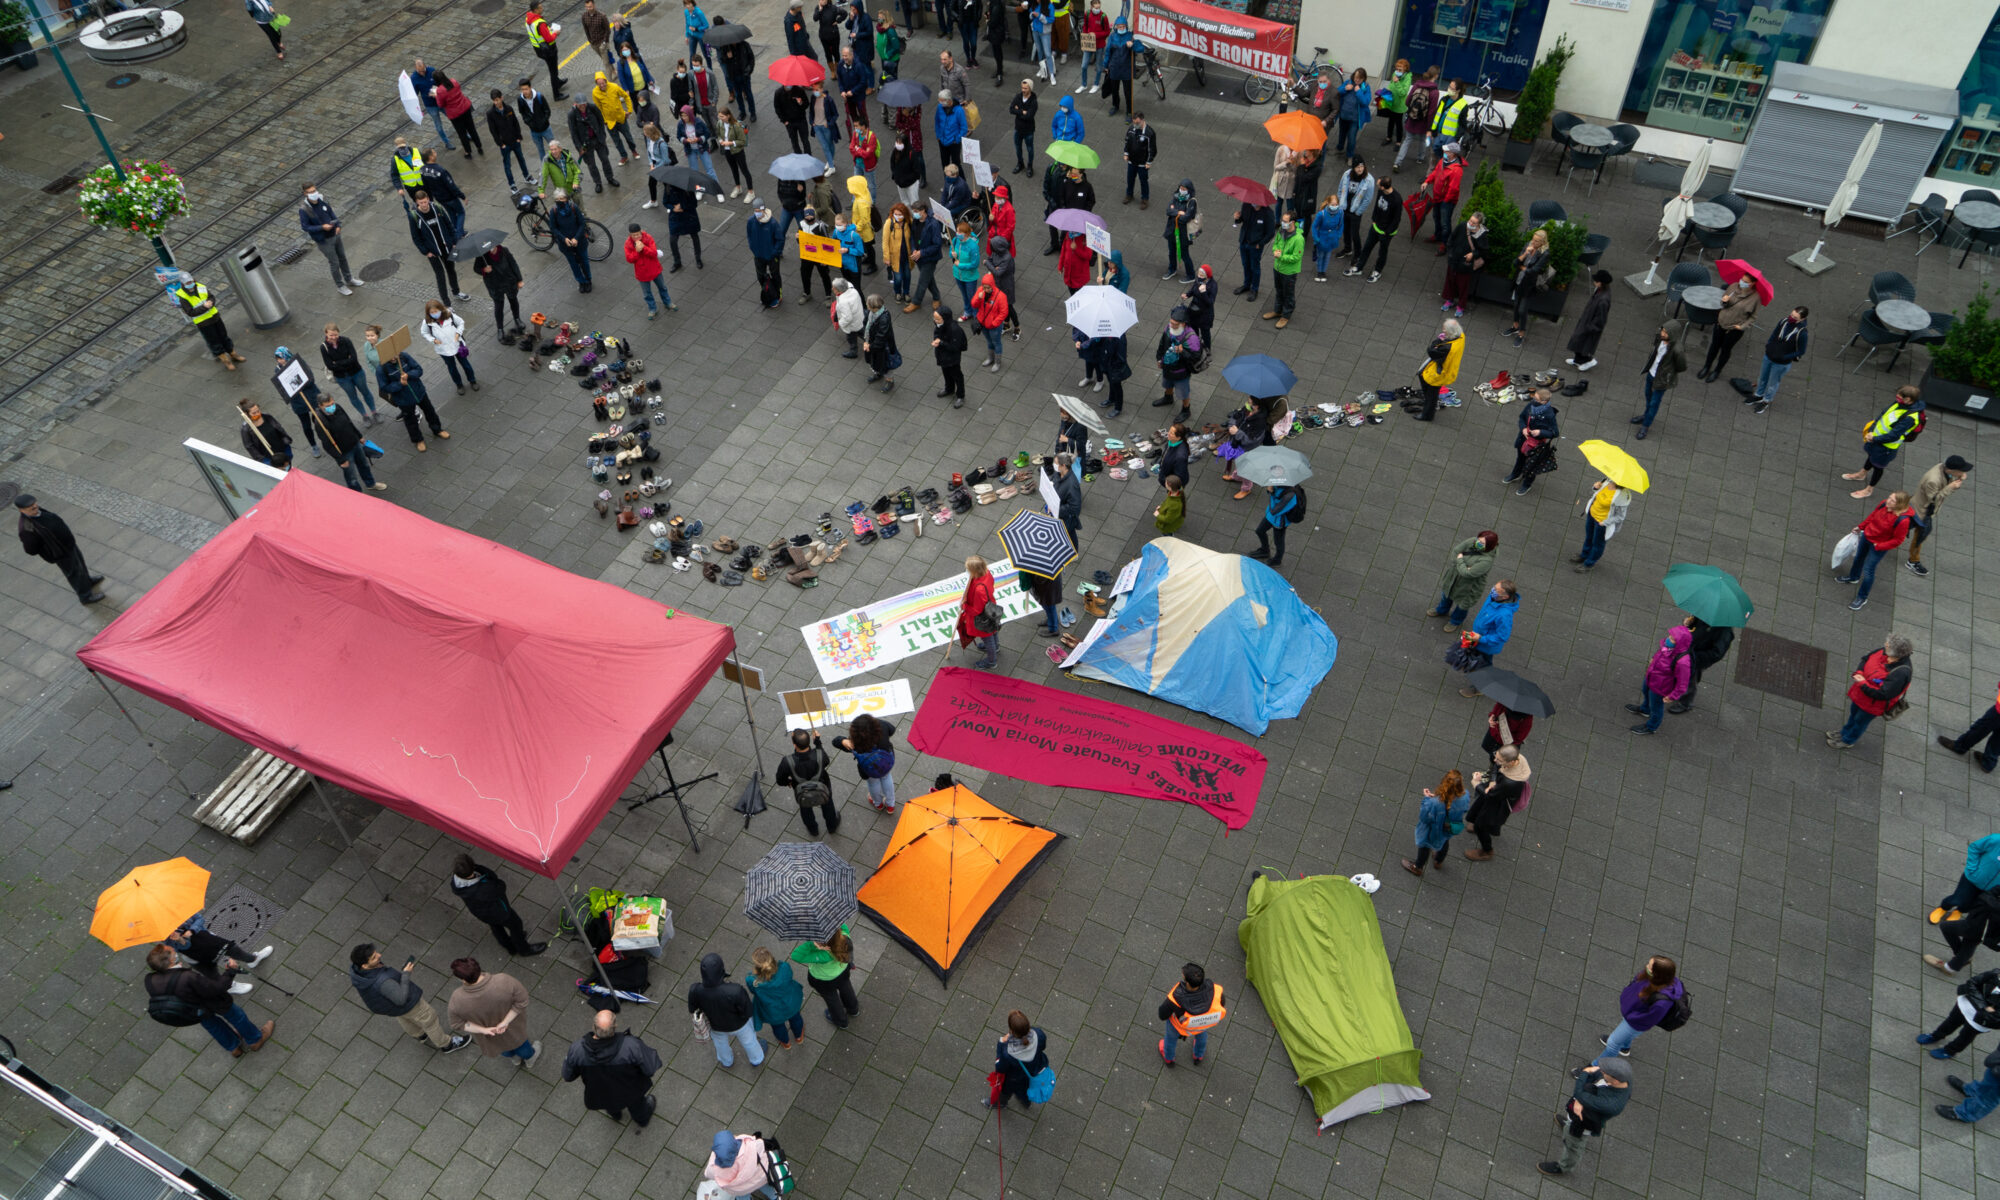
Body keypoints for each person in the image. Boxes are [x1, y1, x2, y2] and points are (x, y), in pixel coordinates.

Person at [143, 943, 273, 1056]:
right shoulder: (187, 977)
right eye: (171, 952)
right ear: (171, 961)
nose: (174, 949)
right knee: (237, 1017)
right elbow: (216, 989)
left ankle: (233, 1047)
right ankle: (255, 1040)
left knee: (213, 1026)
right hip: (214, 1003)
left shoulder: (150, 980)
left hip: (194, 1011)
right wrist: (230, 972)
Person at [348, 945, 471, 1054]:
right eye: (374, 957)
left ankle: (420, 1035)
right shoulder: (383, 981)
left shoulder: (357, 972)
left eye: (376, 953)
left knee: (404, 1019)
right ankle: (447, 1045)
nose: (379, 955)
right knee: (430, 1022)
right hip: (410, 1005)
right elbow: (401, 999)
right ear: (364, 965)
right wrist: (406, 974)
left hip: (392, 1007)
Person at [1538, 1058, 1631, 1177]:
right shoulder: (1625, 1081)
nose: (1600, 1071)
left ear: (1616, 1081)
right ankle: (1568, 1124)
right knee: (1571, 1124)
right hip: (1582, 1115)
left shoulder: (1610, 1104)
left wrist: (1585, 1072)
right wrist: (1582, 1100)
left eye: (1604, 1072)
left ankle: (1563, 1167)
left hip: (1582, 1124)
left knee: (1573, 1146)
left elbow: (1579, 1093)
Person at [446, 957, 540, 1066]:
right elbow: (522, 1001)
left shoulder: (457, 999)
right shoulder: (504, 980)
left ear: (463, 979)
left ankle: (515, 1059)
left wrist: (484, 1030)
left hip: (491, 1037)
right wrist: (505, 1022)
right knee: (521, 1045)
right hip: (513, 1028)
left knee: (502, 1048)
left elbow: (456, 1024)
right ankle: (530, 1059)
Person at [1829, 632, 1915, 749]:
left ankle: (1848, 740)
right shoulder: (1884, 651)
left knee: (1860, 722)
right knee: (1854, 714)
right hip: (1860, 696)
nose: (1885, 644)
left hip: (1872, 705)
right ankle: (1844, 732)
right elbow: (1865, 659)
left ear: (1895, 653)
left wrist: (1862, 683)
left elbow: (1883, 694)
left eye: (1888, 644)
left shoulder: (1901, 673)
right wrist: (1859, 672)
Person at [14, 493, 103, 605]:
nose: (34, 507)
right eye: (29, 507)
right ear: (21, 510)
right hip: (60, 553)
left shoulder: (38, 511)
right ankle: (85, 596)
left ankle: (87, 581)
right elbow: (30, 550)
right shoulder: (26, 528)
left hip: (69, 545)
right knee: (73, 573)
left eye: (34, 503)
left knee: (80, 564)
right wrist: (48, 547)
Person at [1835, 492, 1917, 611]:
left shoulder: (1903, 521)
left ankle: (1862, 597)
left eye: (1892, 500)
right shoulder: (1883, 504)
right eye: (1889, 497)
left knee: (1868, 570)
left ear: (1899, 504)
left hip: (1878, 546)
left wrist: (1879, 545)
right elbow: (1872, 517)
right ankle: (1853, 577)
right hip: (1867, 536)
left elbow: (1898, 540)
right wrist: (1861, 527)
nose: (1888, 500)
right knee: (1859, 557)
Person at [450, 855, 546, 955]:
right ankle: (524, 949)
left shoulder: (456, 882)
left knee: (496, 927)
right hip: (499, 911)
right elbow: (500, 886)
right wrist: (479, 869)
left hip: (481, 912)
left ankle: (510, 947)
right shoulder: (484, 888)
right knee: (516, 925)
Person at [1843, 385, 1927, 499]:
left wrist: (1874, 438)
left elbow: (1893, 435)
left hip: (1886, 447)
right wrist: (1871, 430)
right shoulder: (1899, 404)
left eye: (1900, 396)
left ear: (1908, 399)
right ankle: (1861, 474)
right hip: (1875, 438)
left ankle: (1869, 489)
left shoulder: (1910, 418)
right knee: (1871, 457)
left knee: (1878, 467)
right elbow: (1882, 415)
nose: (1897, 398)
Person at [1595, 956, 1684, 1061]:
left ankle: (1594, 1070)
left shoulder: (1662, 1003)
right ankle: (1624, 1047)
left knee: (1612, 1044)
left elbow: (1647, 1019)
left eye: (1649, 967)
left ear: (1657, 974)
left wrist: (1630, 1015)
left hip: (1634, 1022)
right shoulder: (1656, 979)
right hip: (1631, 1013)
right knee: (1619, 1039)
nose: (1646, 966)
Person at [688, 952, 763, 1066]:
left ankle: (726, 1061)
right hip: (740, 1024)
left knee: (720, 1045)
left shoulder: (695, 990)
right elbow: (748, 1011)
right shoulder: (735, 990)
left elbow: (692, 1009)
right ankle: (756, 1059)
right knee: (749, 1042)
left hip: (716, 1026)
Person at [376, 336, 448, 452]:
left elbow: (419, 369)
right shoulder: (381, 369)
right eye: (391, 356)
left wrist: (408, 375)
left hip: (419, 392)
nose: (395, 357)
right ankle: (418, 440)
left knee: (430, 411)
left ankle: (437, 429)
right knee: (410, 420)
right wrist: (400, 383)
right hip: (403, 399)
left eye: (396, 354)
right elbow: (384, 387)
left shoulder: (404, 356)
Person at [1907, 455, 1972, 577]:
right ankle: (1912, 561)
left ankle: (1913, 559)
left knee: (1920, 535)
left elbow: (1947, 482)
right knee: (1915, 533)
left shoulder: (1944, 469)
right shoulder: (1933, 479)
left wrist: (1958, 478)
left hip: (1925, 511)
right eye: (1961, 470)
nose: (1963, 472)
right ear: (1952, 470)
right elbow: (1934, 498)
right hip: (1920, 511)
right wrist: (1951, 488)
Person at [1450, 579, 1518, 694]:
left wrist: (1480, 638)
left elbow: (1502, 637)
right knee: (1480, 664)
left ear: (1505, 596)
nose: (1493, 591)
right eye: (1494, 587)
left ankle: (1480, 688)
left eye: (1497, 590)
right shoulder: (1495, 598)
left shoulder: (1504, 615)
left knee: (1482, 666)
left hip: (1486, 646)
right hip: (1478, 640)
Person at [1461, 744, 1528, 860]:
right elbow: (1496, 767)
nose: (1495, 760)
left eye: (1499, 760)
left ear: (1512, 763)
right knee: (1480, 811)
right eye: (1496, 757)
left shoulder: (1510, 783)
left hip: (1498, 803)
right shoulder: (1513, 759)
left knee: (1481, 826)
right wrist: (1492, 782)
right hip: (1497, 794)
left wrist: (1476, 784)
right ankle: (1486, 826)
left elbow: (1491, 796)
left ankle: (1487, 851)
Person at [306, 393, 383, 493]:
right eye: (328, 406)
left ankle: (370, 483)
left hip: (355, 443)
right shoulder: (320, 422)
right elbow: (327, 444)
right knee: (351, 476)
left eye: (332, 403)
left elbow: (349, 422)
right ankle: (356, 494)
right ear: (320, 406)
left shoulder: (338, 407)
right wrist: (341, 460)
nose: (332, 407)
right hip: (344, 452)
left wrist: (359, 436)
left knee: (364, 465)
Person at [1918, 966, 2000, 1060]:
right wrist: (1984, 1006)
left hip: (1980, 1020)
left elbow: (1996, 1017)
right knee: (1951, 1022)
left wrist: (1977, 998)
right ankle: (1936, 1035)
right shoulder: (1994, 974)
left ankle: (1950, 1050)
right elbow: (1971, 983)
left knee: (1965, 1036)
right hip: (1965, 1006)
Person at [1626, 623, 1693, 735]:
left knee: (1656, 707)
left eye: (1672, 638)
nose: (1668, 639)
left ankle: (1652, 727)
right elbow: (1659, 655)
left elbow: (1682, 684)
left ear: (1680, 643)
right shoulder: (1668, 647)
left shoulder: (1683, 662)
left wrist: (1672, 696)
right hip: (1652, 677)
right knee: (1645, 691)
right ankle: (1645, 709)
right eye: (1670, 636)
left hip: (1661, 687)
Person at [791, 924, 861, 1030]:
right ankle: (853, 1009)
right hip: (843, 972)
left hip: (824, 981)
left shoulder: (823, 955)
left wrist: (812, 945)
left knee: (832, 1000)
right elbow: (841, 924)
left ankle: (842, 1021)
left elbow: (796, 956)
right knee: (846, 988)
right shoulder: (845, 936)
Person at [1400, 768, 1468, 876]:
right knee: (1444, 842)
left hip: (1432, 831)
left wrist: (1427, 799)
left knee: (1424, 846)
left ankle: (1417, 867)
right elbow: (1462, 809)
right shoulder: (1465, 796)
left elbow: (1424, 817)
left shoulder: (1434, 803)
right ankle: (1438, 861)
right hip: (1448, 829)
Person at [297, 183, 361, 296]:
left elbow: (332, 214)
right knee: (334, 263)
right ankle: (340, 286)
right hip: (324, 240)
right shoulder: (304, 209)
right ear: (305, 194)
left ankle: (349, 279)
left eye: (314, 190)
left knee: (343, 258)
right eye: (311, 192)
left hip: (335, 235)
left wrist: (338, 226)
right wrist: (322, 227)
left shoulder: (322, 200)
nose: (314, 193)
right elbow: (305, 227)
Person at [405, 192, 467, 305]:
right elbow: (415, 237)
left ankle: (456, 292)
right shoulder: (414, 216)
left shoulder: (437, 208)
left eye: (425, 201)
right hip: (432, 251)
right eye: (421, 203)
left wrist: (453, 242)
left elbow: (449, 225)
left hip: (446, 247)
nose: (424, 205)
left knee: (451, 270)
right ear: (416, 203)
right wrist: (425, 252)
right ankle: (446, 302)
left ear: (428, 199)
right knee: (440, 276)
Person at [174, 273, 245, 372]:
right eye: (187, 283)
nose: (190, 284)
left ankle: (233, 354)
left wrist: (211, 302)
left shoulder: (201, 287)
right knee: (214, 342)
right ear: (183, 284)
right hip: (203, 323)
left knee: (224, 336)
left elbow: (211, 297)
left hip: (215, 317)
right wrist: (205, 307)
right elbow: (190, 312)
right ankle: (226, 361)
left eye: (191, 281)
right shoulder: (183, 297)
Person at [1156, 962, 1224, 1067]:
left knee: (1170, 1040)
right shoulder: (1214, 990)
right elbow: (1221, 1003)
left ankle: (1169, 1058)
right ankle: (1198, 1055)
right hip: (1201, 1024)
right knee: (1202, 1036)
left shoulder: (1175, 998)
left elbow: (1162, 1015)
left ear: (1187, 983)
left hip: (1177, 1026)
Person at [776, 729, 841, 835]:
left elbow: (780, 780)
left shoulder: (787, 761)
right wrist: (818, 743)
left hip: (802, 791)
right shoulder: (819, 754)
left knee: (805, 808)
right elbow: (826, 761)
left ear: (794, 744)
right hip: (823, 786)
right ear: (809, 741)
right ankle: (832, 826)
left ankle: (813, 829)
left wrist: (788, 782)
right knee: (828, 804)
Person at [1696, 274, 1760, 382]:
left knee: (1725, 350)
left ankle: (1717, 371)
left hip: (1735, 329)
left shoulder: (1756, 298)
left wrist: (1742, 326)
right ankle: (1707, 366)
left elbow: (1753, 316)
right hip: (1721, 322)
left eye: (1745, 281)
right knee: (1714, 346)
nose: (1741, 282)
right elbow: (1723, 303)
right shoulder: (1733, 287)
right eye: (1742, 279)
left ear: (1752, 283)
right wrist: (1724, 301)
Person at [1668, 616, 1735, 714]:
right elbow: (1694, 626)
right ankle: (1675, 687)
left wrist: (1695, 658)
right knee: (1680, 671)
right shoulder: (1706, 614)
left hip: (1697, 658)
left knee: (1690, 679)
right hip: (1688, 650)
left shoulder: (1725, 631)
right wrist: (1688, 623)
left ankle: (1685, 703)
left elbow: (1716, 653)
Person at [1749, 305, 1809, 414]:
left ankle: (1766, 401)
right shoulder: (1784, 321)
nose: (1791, 318)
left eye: (1795, 317)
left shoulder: (1802, 333)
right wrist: (1769, 345)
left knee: (1772, 383)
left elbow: (1801, 351)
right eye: (1791, 315)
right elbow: (1775, 333)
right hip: (1769, 356)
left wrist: (1785, 357)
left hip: (1781, 363)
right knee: (1762, 377)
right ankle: (1758, 395)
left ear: (1802, 319)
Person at [986, 1010, 1050, 1109]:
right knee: (1025, 1090)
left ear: (1011, 1030)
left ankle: (1000, 1103)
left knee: (1006, 1092)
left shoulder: (1008, 1052)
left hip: (1014, 1079)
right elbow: (1043, 1047)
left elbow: (1000, 1068)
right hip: (1035, 1071)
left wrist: (1001, 1043)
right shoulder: (1039, 1035)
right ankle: (1026, 1102)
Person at [1432, 530, 1496, 629]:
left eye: (1482, 543)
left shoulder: (1486, 561)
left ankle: (1455, 621)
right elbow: (1455, 551)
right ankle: (1441, 610)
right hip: (1453, 578)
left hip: (1468, 588)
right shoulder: (1473, 541)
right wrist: (1464, 567)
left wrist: (1460, 560)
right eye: (1478, 539)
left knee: (1462, 606)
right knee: (1446, 595)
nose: (1478, 542)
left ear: (1489, 545)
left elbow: (1467, 574)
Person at [834, 713, 898, 811]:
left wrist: (843, 741)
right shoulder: (881, 726)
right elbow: (892, 729)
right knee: (886, 778)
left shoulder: (854, 743)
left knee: (873, 784)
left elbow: (835, 741)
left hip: (868, 769)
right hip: (886, 762)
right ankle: (890, 805)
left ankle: (878, 804)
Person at [318, 324, 380, 425]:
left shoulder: (346, 341)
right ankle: (365, 416)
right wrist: (346, 361)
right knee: (353, 397)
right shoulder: (323, 347)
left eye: (335, 334)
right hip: (342, 378)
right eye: (331, 335)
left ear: (338, 333)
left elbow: (354, 358)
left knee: (366, 392)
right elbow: (329, 365)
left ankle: (374, 412)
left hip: (356, 372)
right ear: (326, 334)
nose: (333, 337)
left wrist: (337, 363)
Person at [1572, 474, 1634, 572]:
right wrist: (1595, 488)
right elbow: (1597, 496)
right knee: (1589, 537)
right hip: (1592, 515)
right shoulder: (1606, 482)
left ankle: (1589, 563)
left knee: (1598, 544)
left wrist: (1605, 522)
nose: (1610, 476)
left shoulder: (1622, 497)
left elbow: (1620, 517)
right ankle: (1584, 555)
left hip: (1601, 523)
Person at [1503, 228, 1550, 346]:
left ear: (1543, 243)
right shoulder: (1527, 246)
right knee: (1516, 306)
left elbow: (1534, 270)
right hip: (1519, 281)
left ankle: (1521, 333)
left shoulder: (1545, 253)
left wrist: (1523, 267)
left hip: (1529, 285)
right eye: (1533, 240)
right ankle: (1515, 326)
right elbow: (1515, 263)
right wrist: (1525, 254)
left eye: (1537, 241)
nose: (1533, 243)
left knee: (1523, 310)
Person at [472, 242, 526, 341]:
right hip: (494, 284)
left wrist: (519, 279)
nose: (491, 249)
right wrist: (484, 270)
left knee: (513, 299)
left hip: (509, 280)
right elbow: (476, 268)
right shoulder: (482, 256)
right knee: (499, 305)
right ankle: (500, 329)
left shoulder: (504, 250)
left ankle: (517, 319)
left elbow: (513, 264)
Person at [420, 302, 477, 395]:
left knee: (465, 364)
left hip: (457, 345)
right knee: (452, 368)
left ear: (440, 309)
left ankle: (472, 380)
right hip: (443, 349)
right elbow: (424, 333)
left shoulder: (450, 315)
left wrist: (458, 333)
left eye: (436, 311)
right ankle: (459, 385)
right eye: (432, 312)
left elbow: (461, 323)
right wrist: (433, 340)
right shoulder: (427, 322)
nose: (435, 314)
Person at [1152, 307, 1199, 420]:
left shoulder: (1192, 338)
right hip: (1167, 366)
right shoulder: (1168, 328)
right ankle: (1168, 397)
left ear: (1183, 324)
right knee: (1167, 383)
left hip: (1181, 371)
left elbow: (1195, 357)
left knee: (1183, 391)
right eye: (1171, 322)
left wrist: (1182, 351)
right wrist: (1159, 358)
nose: (1171, 325)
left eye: (1175, 324)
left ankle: (1186, 410)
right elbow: (1162, 343)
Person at [1412, 317, 1462, 421]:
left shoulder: (1446, 348)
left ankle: (1427, 414)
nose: (1443, 330)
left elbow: (1431, 351)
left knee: (1430, 390)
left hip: (1440, 372)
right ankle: (1429, 403)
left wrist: (1438, 341)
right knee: (1425, 381)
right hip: (1448, 368)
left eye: (1445, 329)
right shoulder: (1461, 336)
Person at [1438, 208, 1486, 317]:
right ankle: (1449, 300)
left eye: (1474, 222)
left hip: (1465, 264)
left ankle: (1461, 306)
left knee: (1463, 285)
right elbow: (1452, 238)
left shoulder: (1481, 235)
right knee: (1450, 281)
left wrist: (1473, 255)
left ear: (1479, 224)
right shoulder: (1462, 226)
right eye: (1470, 220)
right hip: (1454, 259)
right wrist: (1450, 251)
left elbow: (1483, 250)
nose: (1470, 223)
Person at [705, 1131, 781, 1199]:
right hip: (759, 1178)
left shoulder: (714, 1167)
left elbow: (707, 1174)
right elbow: (760, 1145)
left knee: (742, 1195)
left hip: (741, 1189)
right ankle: (774, 1196)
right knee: (765, 1187)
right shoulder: (748, 1144)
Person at [956, 553, 1001, 667]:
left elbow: (976, 610)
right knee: (992, 631)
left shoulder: (979, 589)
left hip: (982, 617)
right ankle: (995, 647)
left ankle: (991, 661)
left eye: (968, 569)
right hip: (990, 609)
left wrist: (964, 606)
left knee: (987, 637)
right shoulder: (987, 573)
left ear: (974, 571)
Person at [568, 97, 621, 191]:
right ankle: (598, 183)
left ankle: (610, 178)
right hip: (585, 144)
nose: (583, 106)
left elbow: (601, 120)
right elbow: (573, 133)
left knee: (605, 159)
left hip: (598, 139)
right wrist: (579, 147)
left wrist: (602, 135)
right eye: (580, 105)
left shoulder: (592, 108)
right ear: (576, 104)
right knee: (591, 164)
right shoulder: (572, 114)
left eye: (584, 103)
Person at [1262, 211, 1305, 328]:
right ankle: (1277, 310)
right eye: (1282, 221)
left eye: (1285, 221)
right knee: (1279, 290)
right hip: (1278, 268)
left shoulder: (1298, 239)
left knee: (1288, 294)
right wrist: (1275, 251)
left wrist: (1281, 256)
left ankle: (1286, 315)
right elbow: (1275, 244)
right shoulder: (1281, 231)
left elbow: (1296, 257)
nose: (1283, 223)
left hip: (1289, 272)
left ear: (1293, 222)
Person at [1565, 269, 1612, 370]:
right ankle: (1577, 360)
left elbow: (1601, 319)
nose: (1594, 282)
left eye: (1596, 281)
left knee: (1583, 343)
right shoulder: (1600, 291)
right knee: (1578, 341)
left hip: (1590, 326)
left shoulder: (1603, 299)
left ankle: (1588, 361)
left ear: (1601, 283)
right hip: (1587, 322)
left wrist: (1590, 327)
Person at [549, 189, 594, 290]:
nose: (560, 201)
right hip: (565, 245)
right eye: (557, 199)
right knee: (573, 264)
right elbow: (553, 228)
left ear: (566, 198)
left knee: (584, 261)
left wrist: (576, 238)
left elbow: (582, 224)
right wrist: (564, 239)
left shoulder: (574, 208)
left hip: (580, 241)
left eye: (562, 198)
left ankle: (588, 280)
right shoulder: (554, 211)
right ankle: (581, 281)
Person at [523, 0, 569, 99]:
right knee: (553, 71)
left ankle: (558, 82)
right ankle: (556, 95)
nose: (542, 8)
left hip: (539, 49)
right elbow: (549, 38)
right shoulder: (540, 23)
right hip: (549, 50)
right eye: (540, 7)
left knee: (551, 68)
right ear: (535, 10)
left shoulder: (528, 20)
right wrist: (556, 33)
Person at [1250, 483, 1302, 569]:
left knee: (1278, 542)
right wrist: (1270, 489)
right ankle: (1265, 550)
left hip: (1279, 522)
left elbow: (1275, 510)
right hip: (1271, 517)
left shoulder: (1290, 496)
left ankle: (1277, 560)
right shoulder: (1279, 483)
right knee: (1259, 531)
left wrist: (1270, 492)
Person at [927, 301, 969, 406]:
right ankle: (949, 388)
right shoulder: (940, 324)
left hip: (952, 358)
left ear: (945, 318)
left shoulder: (955, 330)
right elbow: (937, 333)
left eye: (937, 319)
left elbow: (955, 347)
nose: (935, 321)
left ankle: (960, 395)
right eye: (935, 318)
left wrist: (940, 343)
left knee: (957, 376)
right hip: (943, 356)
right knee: (946, 372)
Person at [1333, 158, 1374, 265]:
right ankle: (1347, 249)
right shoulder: (1347, 175)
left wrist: (1358, 212)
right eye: (1357, 167)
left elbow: (1367, 200)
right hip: (1344, 207)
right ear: (1353, 167)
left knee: (1355, 233)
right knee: (1345, 230)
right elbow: (1340, 189)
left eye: (1362, 166)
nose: (1360, 169)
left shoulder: (1369, 180)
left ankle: (1357, 254)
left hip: (1355, 211)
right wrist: (1339, 205)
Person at [1232, 197, 1274, 301]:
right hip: (1244, 241)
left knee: (1254, 267)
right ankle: (1246, 285)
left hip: (1255, 245)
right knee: (1245, 264)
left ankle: (1254, 289)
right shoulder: (1247, 205)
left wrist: (1260, 244)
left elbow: (1270, 233)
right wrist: (1237, 218)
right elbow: (1242, 220)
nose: (1253, 203)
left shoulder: (1268, 213)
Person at [433, 74, 484, 158]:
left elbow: (440, 104)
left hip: (455, 114)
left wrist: (436, 96)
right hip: (465, 108)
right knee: (472, 129)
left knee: (462, 133)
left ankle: (468, 152)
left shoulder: (440, 91)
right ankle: (479, 146)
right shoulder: (453, 81)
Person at [237, 400, 294, 468]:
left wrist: (286, 443)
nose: (257, 414)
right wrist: (264, 460)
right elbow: (249, 447)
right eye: (254, 413)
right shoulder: (246, 429)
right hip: (269, 458)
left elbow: (279, 429)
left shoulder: (267, 417)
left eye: (258, 411)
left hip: (283, 451)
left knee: (289, 469)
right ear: (246, 414)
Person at [970, 271, 1008, 372]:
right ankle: (990, 358)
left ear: (992, 285)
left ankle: (997, 362)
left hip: (993, 326)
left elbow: (1003, 313)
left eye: (988, 288)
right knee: (989, 341)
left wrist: (994, 323)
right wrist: (978, 298)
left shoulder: (1001, 296)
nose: (986, 290)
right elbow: (973, 305)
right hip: (983, 324)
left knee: (996, 342)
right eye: (984, 287)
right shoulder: (980, 291)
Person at [986, 230, 1020, 339]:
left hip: (1006, 286)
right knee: (1002, 306)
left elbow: (997, 271)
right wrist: (993, 267)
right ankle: (1006, 324)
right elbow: (991, 261)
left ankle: (1017, 327)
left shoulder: (1007, 258)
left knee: (1009, 307)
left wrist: (988, 265)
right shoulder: (996, 253)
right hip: (998, 284)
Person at [861, 293, 898, 390]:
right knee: (875, 361)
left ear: (873, 307)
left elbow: (881, 337)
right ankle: (878, 373)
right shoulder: (872, 313)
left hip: (883, 347)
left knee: (886, 364)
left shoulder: (884, 319)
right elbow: (866, 324)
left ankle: (889, 380)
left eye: (868, 303)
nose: (866, 304)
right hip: (872, 343)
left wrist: (870, 346)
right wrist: (866, 341)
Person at [1334, 67, 1373, 160]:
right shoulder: (1348, 83)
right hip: (1344, 116)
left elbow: (1365, 102)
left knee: (1351, 138)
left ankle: (1350, 155)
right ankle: (1340, 147)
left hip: (1355, 119)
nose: (1357, 80)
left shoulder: (1366, 87)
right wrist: (1345, 89)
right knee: (1342, 134)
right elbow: (1337, 92)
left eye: (1359, 78)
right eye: (1355, 77)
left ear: (1364, 79)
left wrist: (1358, 91)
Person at [1100, 18, 1137, 113]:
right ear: (1116, 27)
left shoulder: (1131, 36)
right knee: (1114, 90)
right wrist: (1106, 66)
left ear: (1126, 26)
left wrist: (1132, 45)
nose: (1121, 28)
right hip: (1114, 68)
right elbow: (1108, 52)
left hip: (1126, 70)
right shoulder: (1112, 37)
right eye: (1120, 26)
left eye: (1123, 26)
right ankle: (1115, 106)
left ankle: (1129, 111)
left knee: (1128, 93)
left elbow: (1138, 50)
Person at [517, 80, 557, 159]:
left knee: (554, 148)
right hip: (534, 131)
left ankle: (558, 164)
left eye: (526, 89)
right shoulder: (520, 100)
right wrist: (530, 123)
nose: (524, 91)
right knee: (541, 151)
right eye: (522, 89)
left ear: (530, 88)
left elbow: (547, 111)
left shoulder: (539, 97)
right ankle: (544, 168)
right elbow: (523, 113)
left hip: (546, 129)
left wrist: (543, 121)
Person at [1309, 192, 1343, 282]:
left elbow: (1341, 225)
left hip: (1332, 238)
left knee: (1327, 255)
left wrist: (1338, 235)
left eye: (1336, 204)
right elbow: (1314, 226)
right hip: (1322, 238)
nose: (1335, 206)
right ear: (1328, 203)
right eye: (1333, 204)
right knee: (1320, 255)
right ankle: (1319, 271)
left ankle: (1323, 271)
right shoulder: (1321, 214)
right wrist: (1316, 238)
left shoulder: (1340, 212)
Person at [935, 88, 968, 173]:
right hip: (942, 141)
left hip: (954, 143)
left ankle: (961, 182)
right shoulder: (940, 107)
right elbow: (937, 121)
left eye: (942, 101)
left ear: (949, 100)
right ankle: (947, 183)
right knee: (944, 164)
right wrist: (938, 135)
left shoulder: (959, 110)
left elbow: (964, 128)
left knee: (956, 164)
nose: (940, 103)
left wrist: (956, 139)